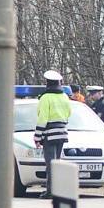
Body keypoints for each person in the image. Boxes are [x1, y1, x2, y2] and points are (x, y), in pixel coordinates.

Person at [35, 70, 72, 199]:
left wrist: (37, 136)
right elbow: (69, 114)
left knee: (50, 164)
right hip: (62, 133)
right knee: (57, 162)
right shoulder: (65, 97)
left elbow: (42, 118)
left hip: (49, 134)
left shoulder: (45, 98)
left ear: (47, 83)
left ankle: (51, 191)